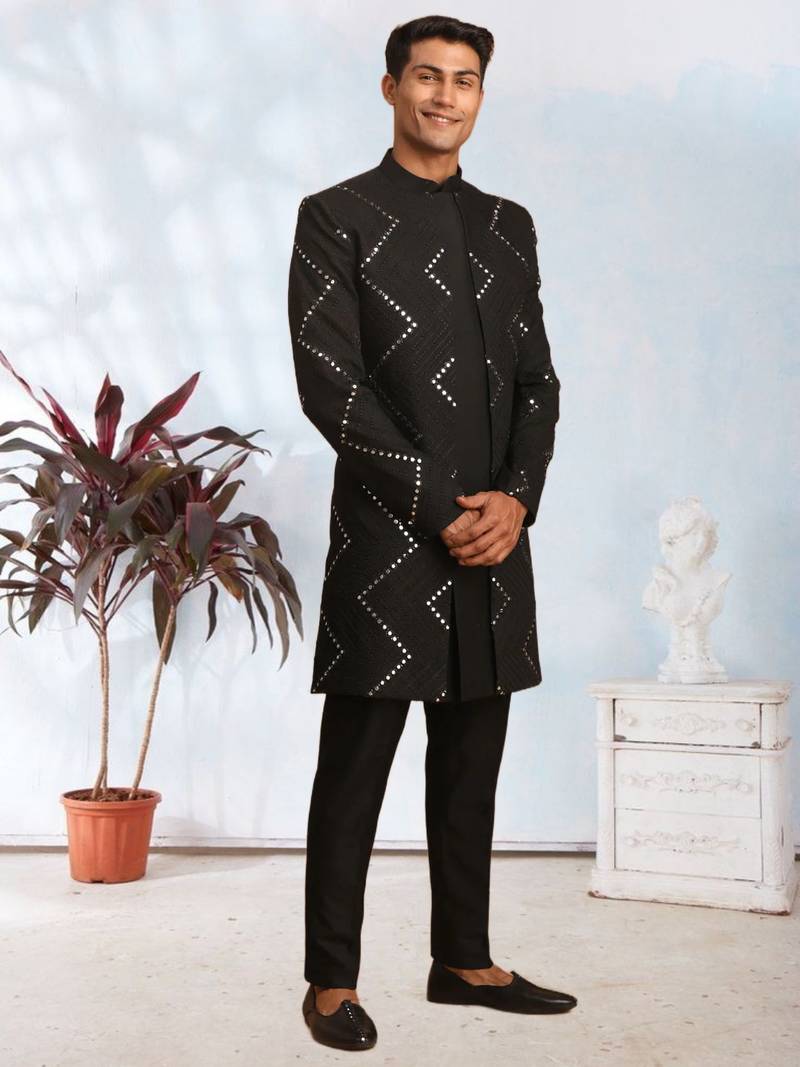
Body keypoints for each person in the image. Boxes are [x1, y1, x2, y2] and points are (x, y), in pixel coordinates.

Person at [287, 14, 574, 1052]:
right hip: (386, 540)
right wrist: (443, 504)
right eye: (426, 76)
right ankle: (330, 980)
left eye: (463, 80)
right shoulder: (336, 216)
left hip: (495, 539)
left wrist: (516, 500)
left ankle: (464, 959)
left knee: (472, 760)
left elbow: (538, 381)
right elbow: (331, 384)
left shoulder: (507, 224)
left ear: (479, 96)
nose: (445, 95)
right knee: (355, 765)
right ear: (390, 89)